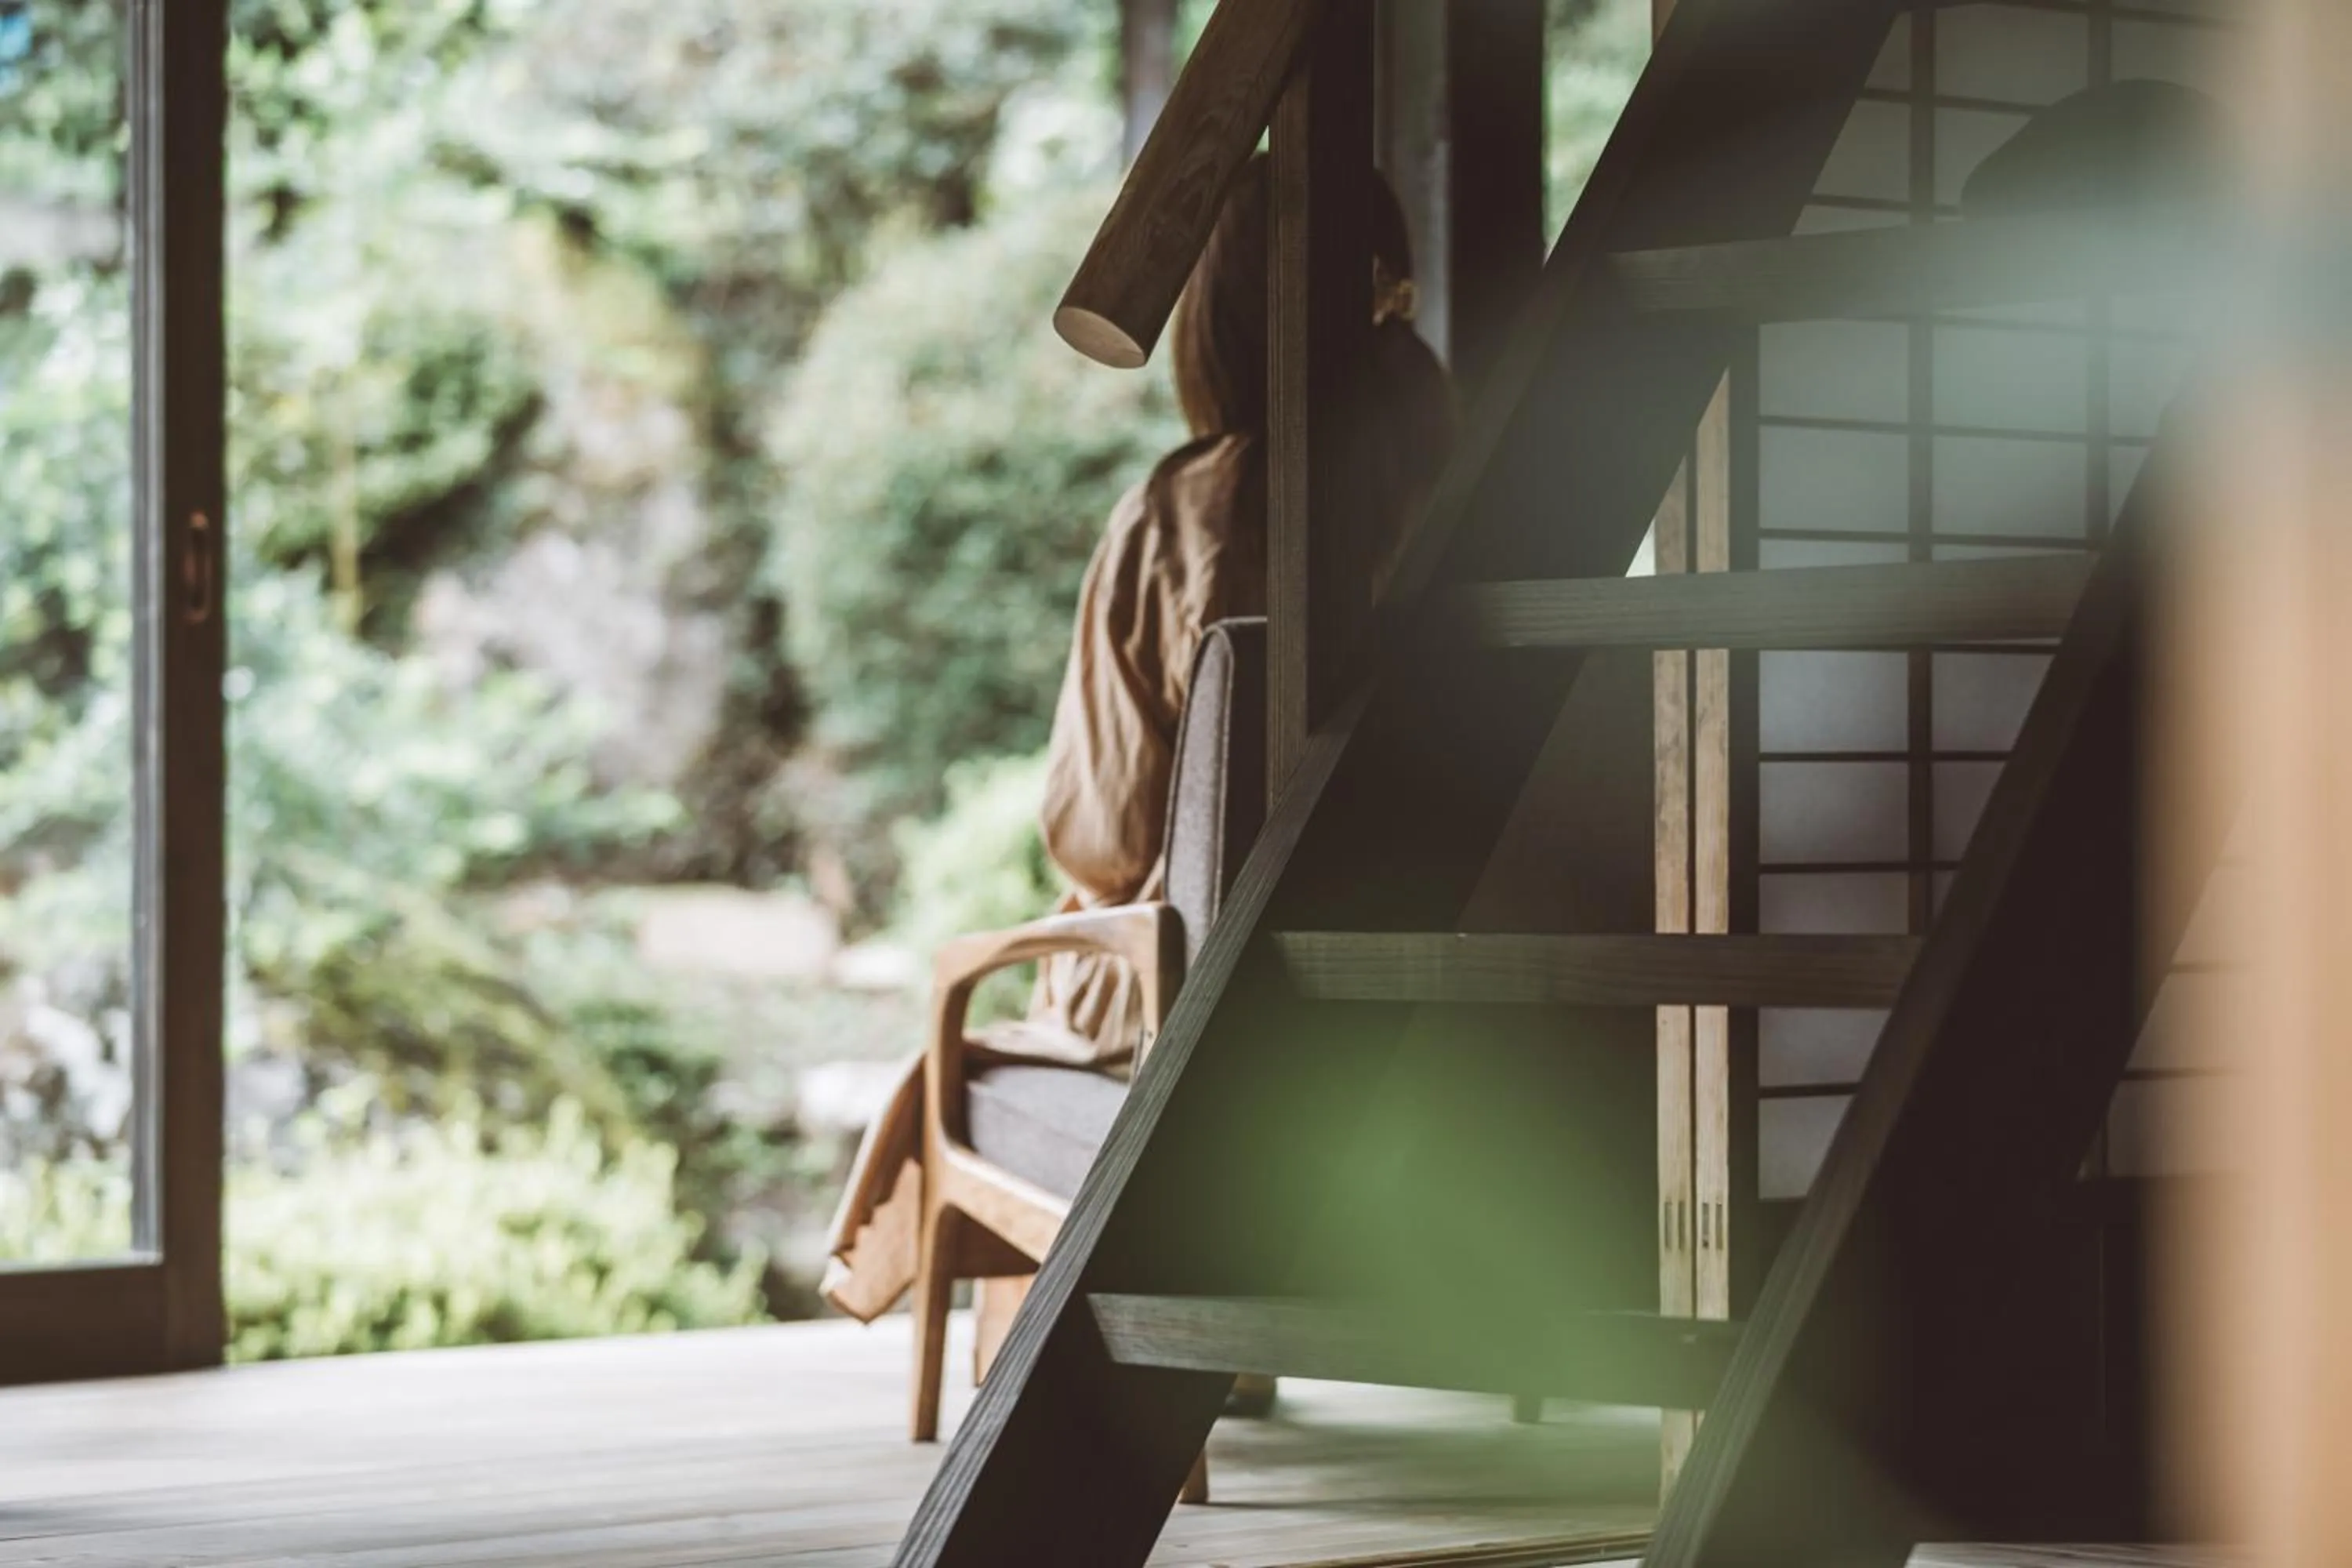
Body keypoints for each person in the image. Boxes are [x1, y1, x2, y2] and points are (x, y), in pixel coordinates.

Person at [820, 157, 1457, 1399]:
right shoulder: (1490, 516)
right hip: (1461, 991)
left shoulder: (1188, 509)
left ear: (1216, 319)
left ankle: (1033, 1377)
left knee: (1006, 1000)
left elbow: (1099, 832)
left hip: (1216, 1002)